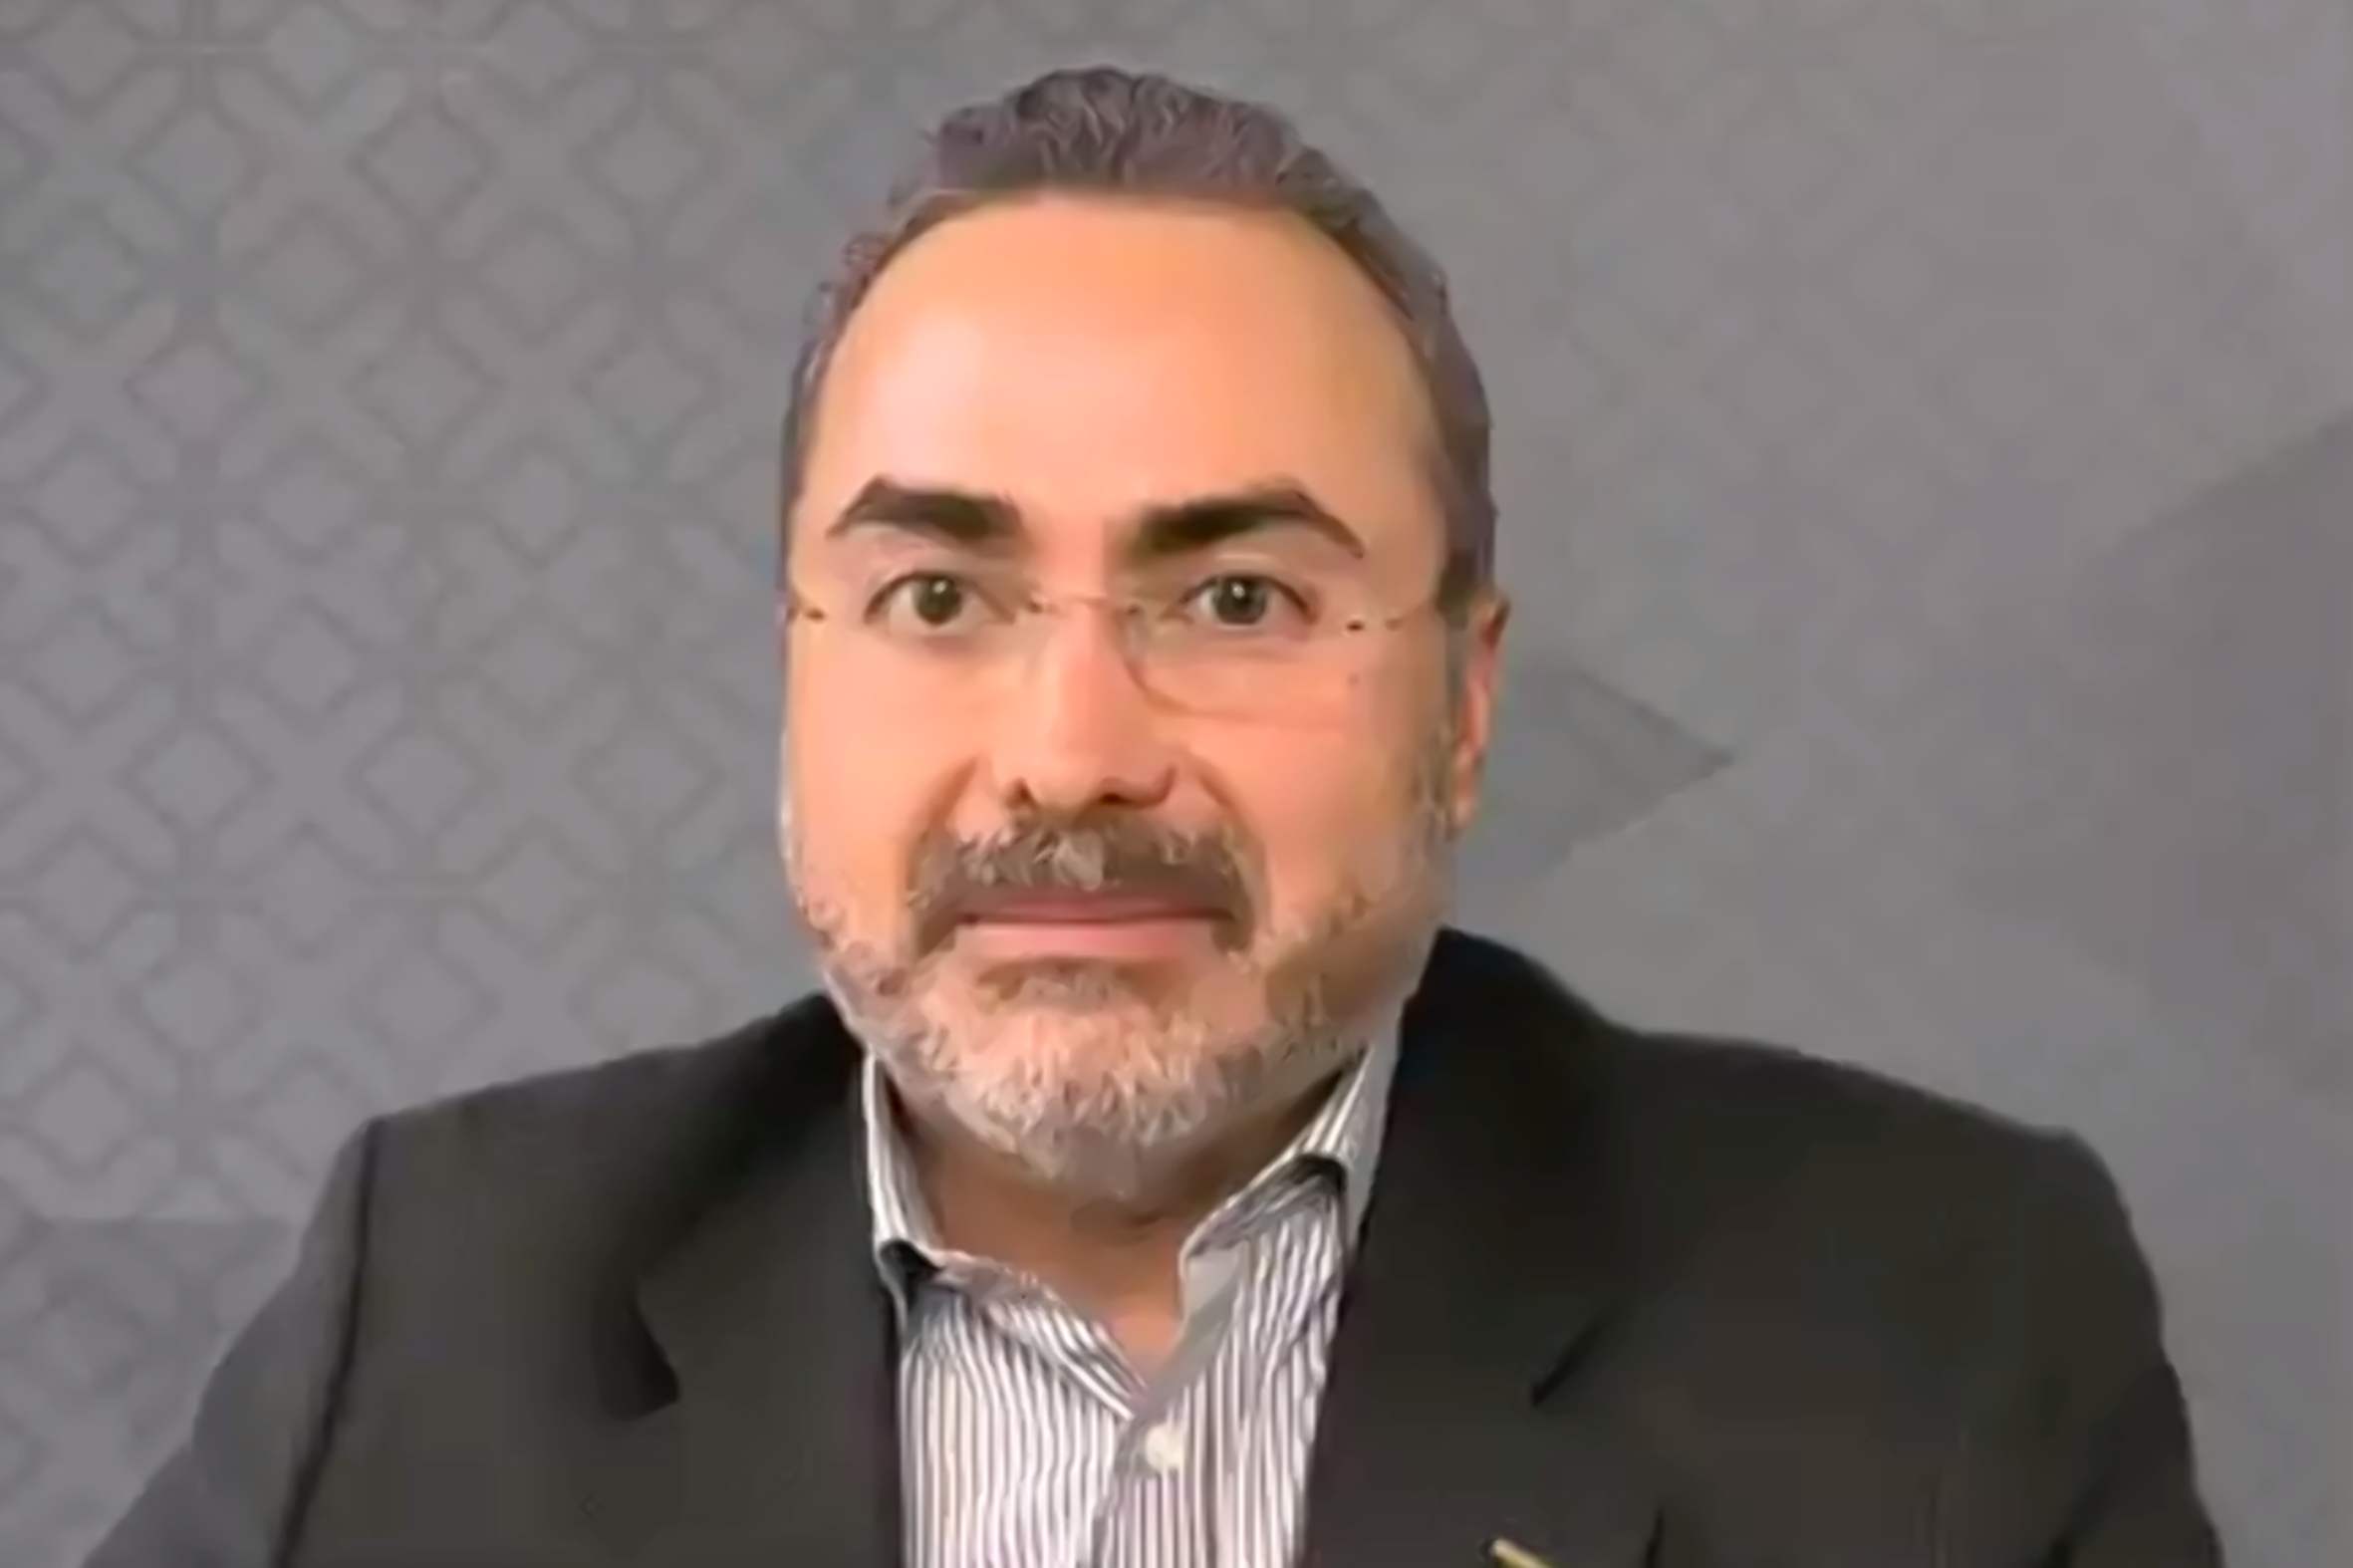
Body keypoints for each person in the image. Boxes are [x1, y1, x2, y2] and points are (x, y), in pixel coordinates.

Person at [89, 64, 2223, 1568]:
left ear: (1464, 703)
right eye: (940, 597)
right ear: (801, 663)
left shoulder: (1933, 1335)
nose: (1072, 751)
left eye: (1235, 599)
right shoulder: (442, 1303)